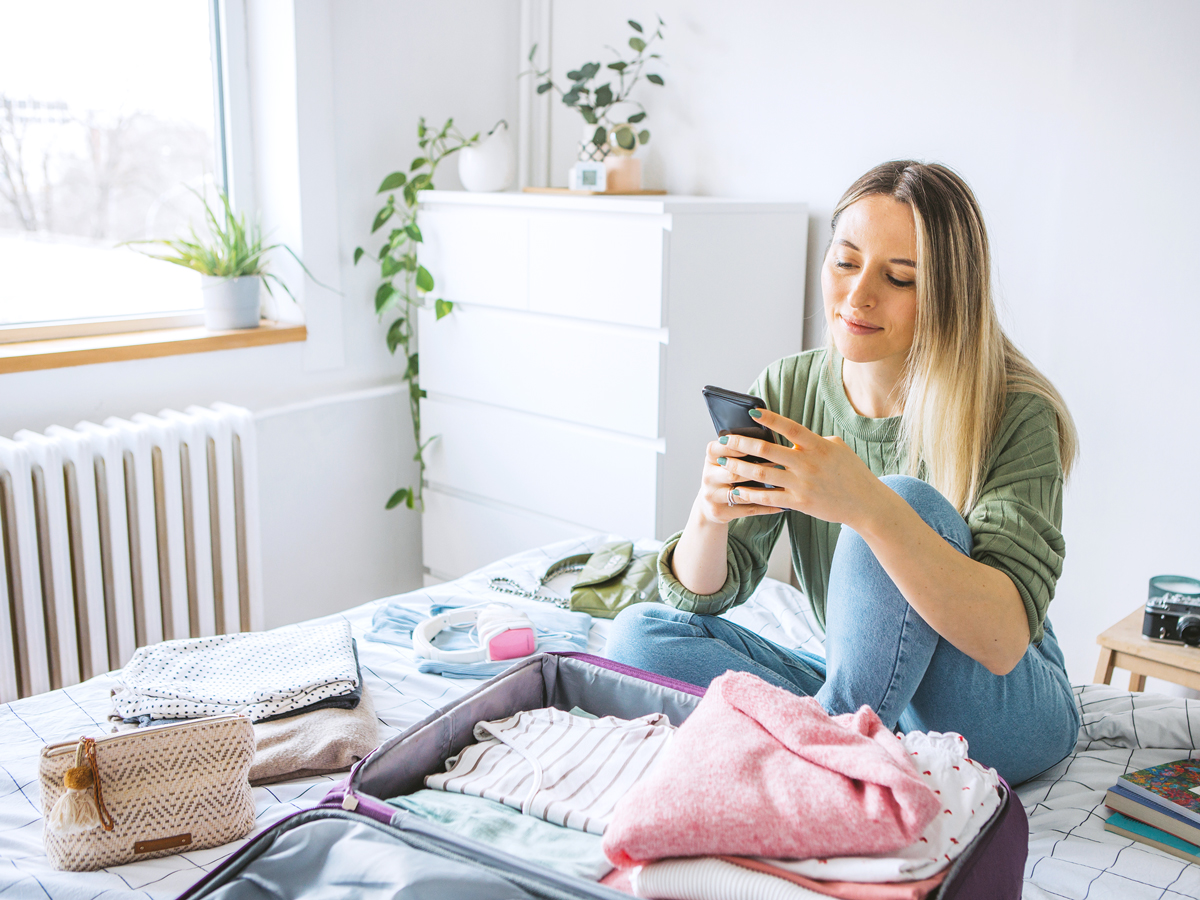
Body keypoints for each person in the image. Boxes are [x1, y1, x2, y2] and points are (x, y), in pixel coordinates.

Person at [603, 160, 1080, 785]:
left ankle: (813, 759)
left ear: (947, 294)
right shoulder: (788, 386)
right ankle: (839, 739)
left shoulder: (1016, 411)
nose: (858, 296)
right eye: (846, 262)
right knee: (638, 639)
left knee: (902, 500)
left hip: (999, 709)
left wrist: (866, 506)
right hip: (867, 690)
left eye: (899, 277)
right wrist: (708, 515)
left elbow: (1001, 642)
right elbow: (708, 592)